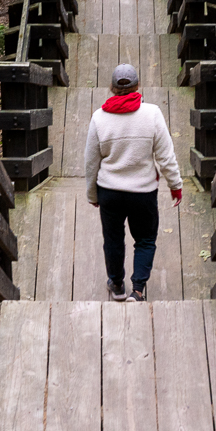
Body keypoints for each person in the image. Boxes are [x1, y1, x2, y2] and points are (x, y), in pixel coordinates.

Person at [84, 62, 182, 302]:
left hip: (110, 191)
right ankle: (137, 290)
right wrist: (175, 185)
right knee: (145, 239)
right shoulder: (153, 114)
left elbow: (90, 162)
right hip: (143, 192)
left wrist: (92, 195)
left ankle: (117, 285)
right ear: (138, 86)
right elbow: (165, 155)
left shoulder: (99, 118)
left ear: (111, 88)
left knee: (113, 240)